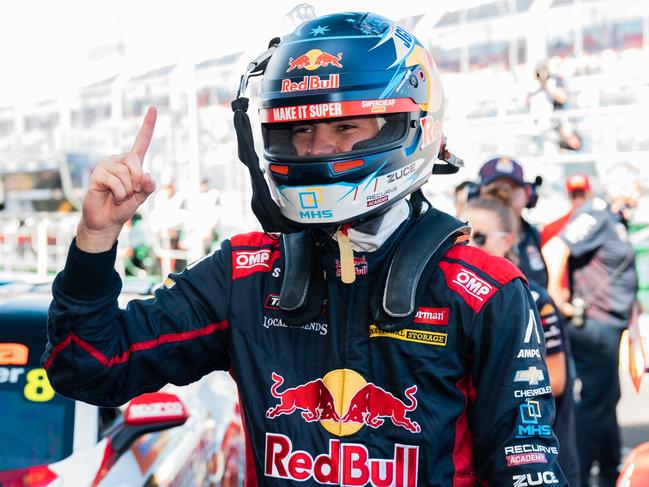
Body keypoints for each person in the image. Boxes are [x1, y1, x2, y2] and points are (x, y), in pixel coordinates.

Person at [43, 12, 567, 485]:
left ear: (412, 126)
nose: (317, 149)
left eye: (345, 127)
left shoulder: (484, 291)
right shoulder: (244, 274)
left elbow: (526, 468)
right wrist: (95, 240)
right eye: (299, 130)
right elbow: (89, 368)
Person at [462, 185, 580, 487]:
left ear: (508, 241)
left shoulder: (534, 297)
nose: (468, 245)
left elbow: (555, 379)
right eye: (462, 236)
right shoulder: (455, 296)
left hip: (535, 453)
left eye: (480, 237)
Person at [543, 163, 641, 487]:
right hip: (593, 326)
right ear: (620, 188)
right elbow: (555, 248)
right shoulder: (595, 215)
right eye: (635, 186)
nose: (639, 193)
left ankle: (609, 468)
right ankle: (579, 476)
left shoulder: (614, 220)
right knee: (596, 404)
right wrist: (558, 295)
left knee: (606, 399)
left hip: (608, 327)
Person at [478, 156, 548, 288]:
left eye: (511, 188)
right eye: (496, 189)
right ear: (477, 194)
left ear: (527, 194)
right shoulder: (466, 240)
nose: (504, 196)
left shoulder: (536, 236)